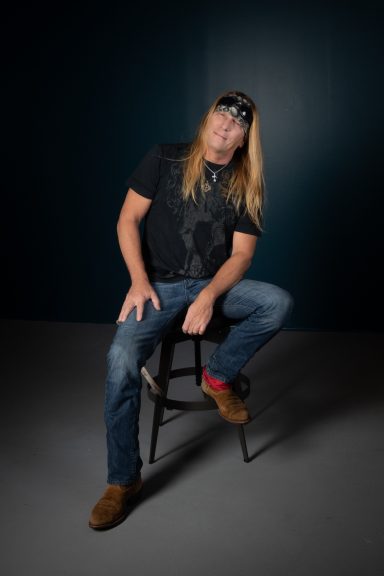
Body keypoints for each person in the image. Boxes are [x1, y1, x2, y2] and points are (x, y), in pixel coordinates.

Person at [89, 90, 293, 530]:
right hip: (158, 287)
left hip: (211, 287)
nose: (226, 124)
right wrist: (139, 282)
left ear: (243, 139)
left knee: (275, 303)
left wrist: (206, 297)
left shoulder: (246, 182)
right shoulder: (164, 158)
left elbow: (241, 257)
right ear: (208, 119)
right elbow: (127, 219)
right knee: (120, 360)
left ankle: (217, 377)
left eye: (237, 123)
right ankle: (123, 481)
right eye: (222, 114)